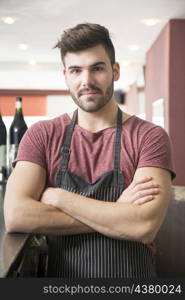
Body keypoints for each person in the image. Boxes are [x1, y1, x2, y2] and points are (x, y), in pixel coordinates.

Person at [4, 23, 175, 278]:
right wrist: (118, 212)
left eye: (97, 68)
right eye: (76, 70)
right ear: (66, 75)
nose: (87, 81)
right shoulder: (43, 134)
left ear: (115, 71)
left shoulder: (149, 136)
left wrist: (60, 198)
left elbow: (143, 225)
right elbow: (17, 215)